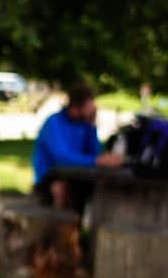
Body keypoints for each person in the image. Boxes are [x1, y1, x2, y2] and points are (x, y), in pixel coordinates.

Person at [32, 83, 123, 215]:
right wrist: (97, 161)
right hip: (50, 175)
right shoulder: (54, 123)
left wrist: (92, 126)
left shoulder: (84, 124)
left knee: (99, 189)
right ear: (76, 107)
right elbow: (62, 157)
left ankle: (83, 231)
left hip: (77, 174)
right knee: (61, 188)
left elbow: (94, 153)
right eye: (89, 106)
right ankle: (58, 230)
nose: (92, 109)